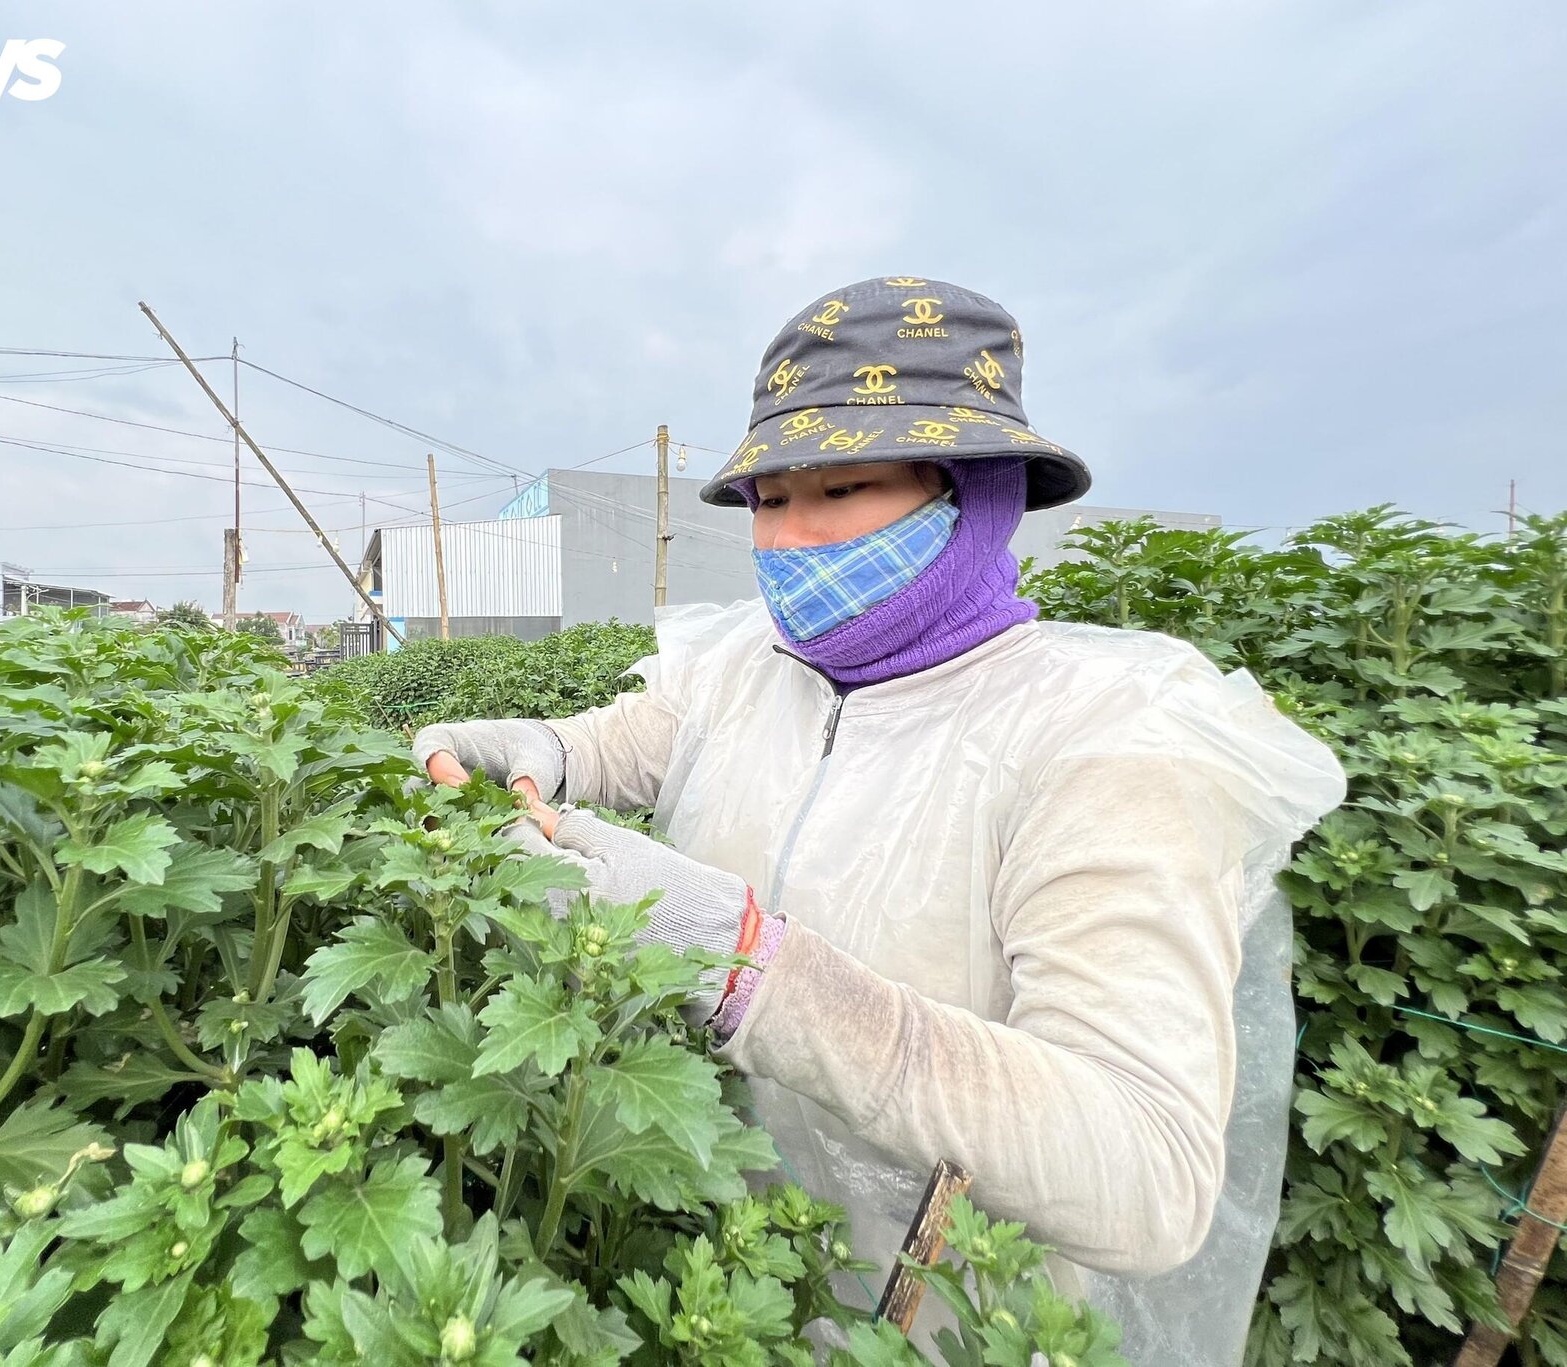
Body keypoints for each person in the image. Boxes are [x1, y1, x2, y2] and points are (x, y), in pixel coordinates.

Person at [414, 276, 1346, 1364]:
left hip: (941, 1320)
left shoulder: (1108, 739)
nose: (789, 539)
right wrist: (544, 748)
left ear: (978, 490)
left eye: (840, 488)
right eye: (766, 499)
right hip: (712, 1276)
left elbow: (1144, 1167)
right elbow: (629, 737)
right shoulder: (748, 668)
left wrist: (744, 960)